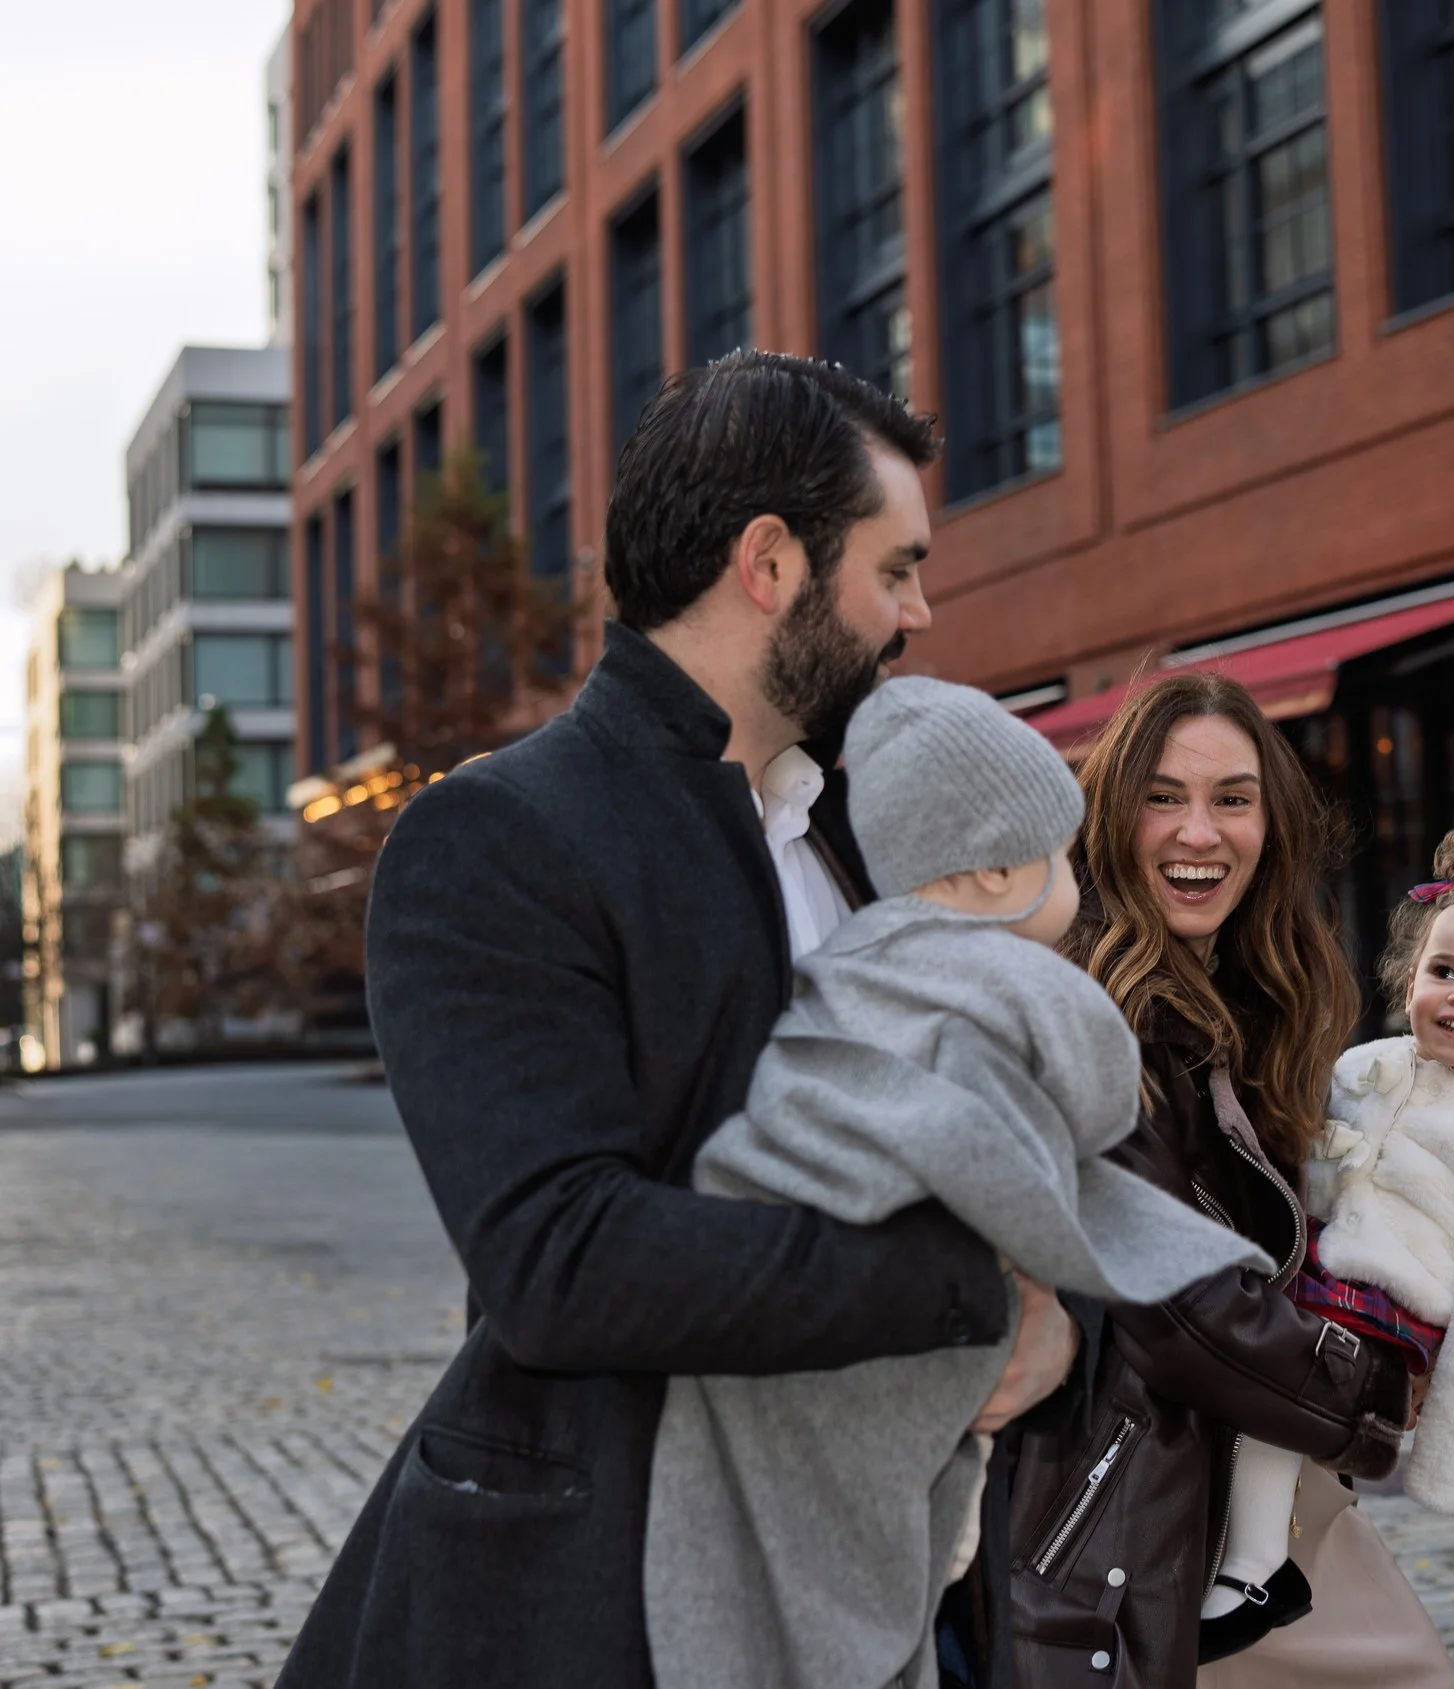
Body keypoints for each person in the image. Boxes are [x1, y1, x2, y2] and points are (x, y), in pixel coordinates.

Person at [276, 353, 1075, 1689]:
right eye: (894, 569)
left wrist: (1053, 1295)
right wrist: (964, 1296)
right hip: (602, 1616)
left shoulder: (871, 840)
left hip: (869, 1598)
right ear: (771, 563)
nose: (920, 611)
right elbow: (563, 1257)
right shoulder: (500, 835)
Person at [643, 678, 1266, 1689]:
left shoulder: (851, 954)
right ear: (992, 874)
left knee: (770, 1554)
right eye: (1060, 858)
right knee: (898, 1546)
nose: (1075, 884)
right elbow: (1096, 1084)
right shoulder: (995, 977)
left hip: (769, 1269)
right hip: (895, 1312)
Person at [1002, 672, 1454, 1689]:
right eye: (1162, 797)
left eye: (1232, 799)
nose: (1197, 833)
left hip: (1243, 1481)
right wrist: (1377, 1389)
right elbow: (1181, 1309)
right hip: (1127, 1499)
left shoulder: (1243, 999)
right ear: (1113, 816)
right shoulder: (1097, 1011)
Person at [1204, 831, 1454, 1646]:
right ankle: (1233, 1549)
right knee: (1231, 1352)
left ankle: (1251, 1570)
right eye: (1446, 971)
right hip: (1316, 1279)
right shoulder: (1365, 1065)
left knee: (1269, 1384)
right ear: (1410, 975)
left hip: (1392, 1317)